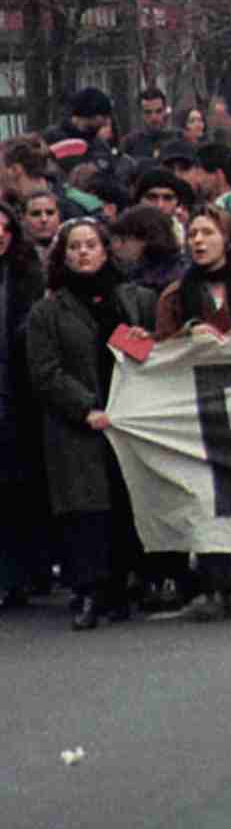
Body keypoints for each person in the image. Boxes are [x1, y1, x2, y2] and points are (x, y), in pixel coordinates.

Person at [24, 217, 156, 629]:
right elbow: (45, 372)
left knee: (122, 504)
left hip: (128, 423)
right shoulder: (47, 311)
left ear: (105, 251)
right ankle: (89, 592)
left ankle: (121, 589)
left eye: (91, 245)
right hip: (78, 426)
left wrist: (143, 341)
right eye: (75, 246)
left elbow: (157, 357)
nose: (83, 252)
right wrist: (85, 408)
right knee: (85, 511)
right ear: (63, 257)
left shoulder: (133, 300)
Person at [152, 207, 231, 618]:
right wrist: (185, 337)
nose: (198, 241)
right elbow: (156, 353)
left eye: (207, 233)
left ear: (227, 240)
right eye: (192, 234)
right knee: (208, 495)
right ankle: (214, 586)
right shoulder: (174, 296)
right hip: (200, 412)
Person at [0, 202, 52, 608]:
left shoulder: (26, 275)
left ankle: (29, 573)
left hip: (18, 396)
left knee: (22, 489)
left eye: (4, 227)